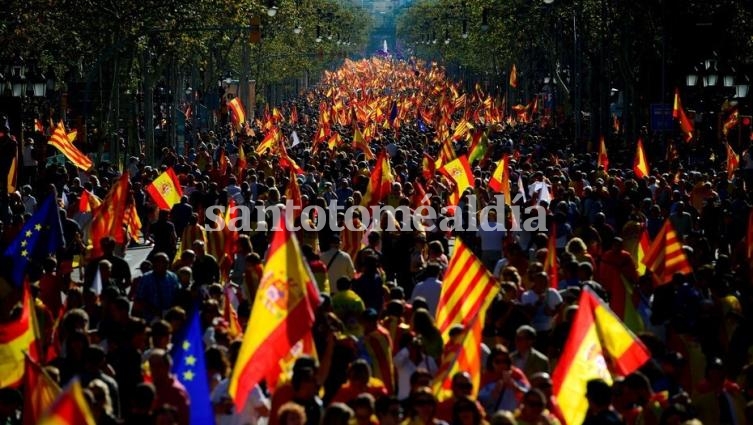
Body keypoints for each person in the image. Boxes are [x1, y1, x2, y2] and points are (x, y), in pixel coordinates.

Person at [148, 349, 190, 425]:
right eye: (152, 366)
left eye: (158, 366)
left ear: (167, 367)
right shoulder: (150, 390)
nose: (154, 370)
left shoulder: (178, 392)